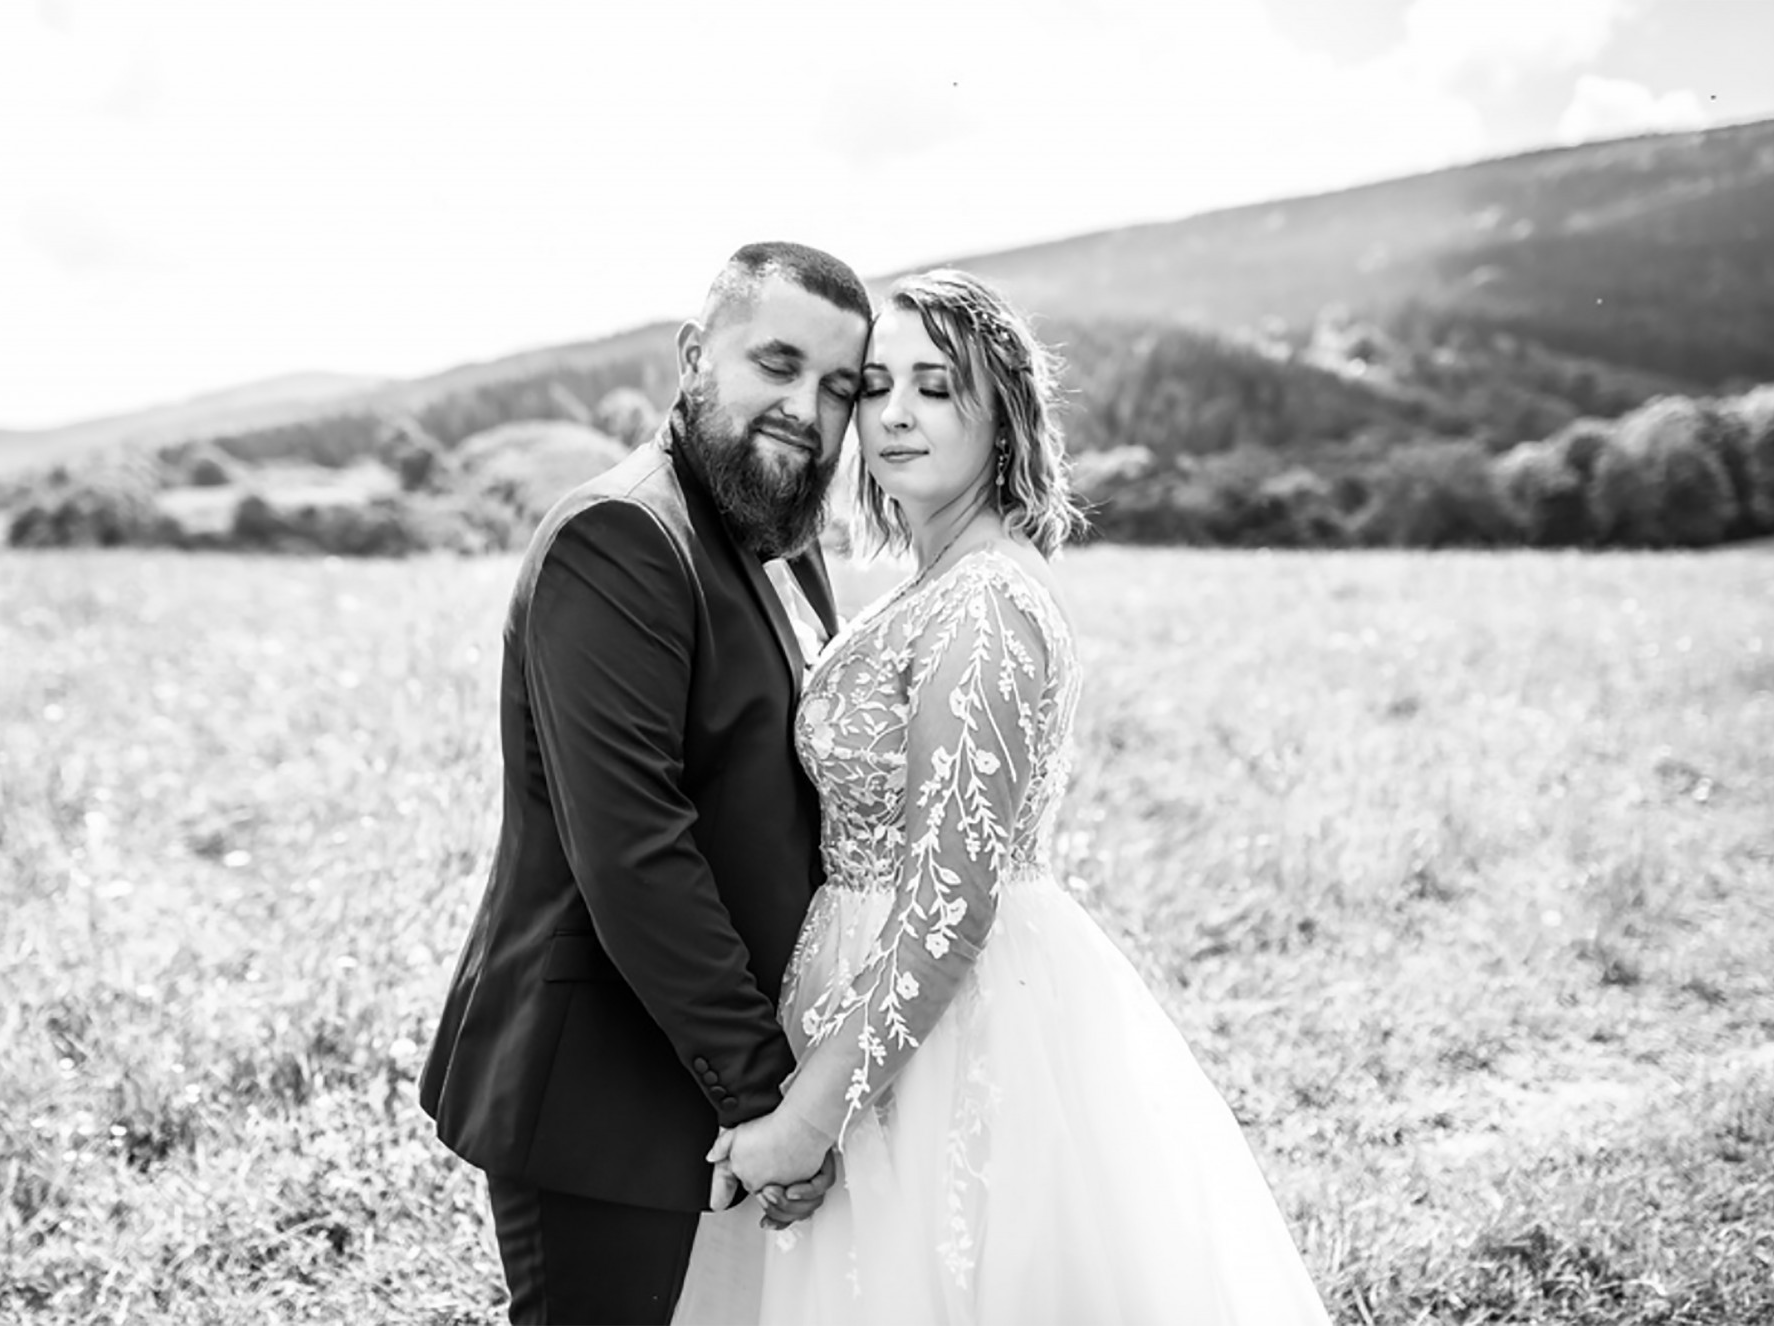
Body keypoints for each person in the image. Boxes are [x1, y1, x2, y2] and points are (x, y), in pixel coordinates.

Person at [674, 270, 1333, 1324]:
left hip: (950, 1033)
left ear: (1003, 417)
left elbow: (947, 906)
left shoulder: (983, 602)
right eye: (875, 386)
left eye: (936, 388)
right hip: (865, 1000)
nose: (895, 414)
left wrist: (807, 1118)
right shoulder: (930, 585)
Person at [419, 241, 872, 1325]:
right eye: (777, 364)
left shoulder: (776, 533)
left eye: (838, 388)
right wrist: (771, 1099)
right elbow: (635, 854)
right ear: (694, 356)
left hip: (709, 1074)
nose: (806, 410)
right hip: (602, 1094)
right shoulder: (621, 534)